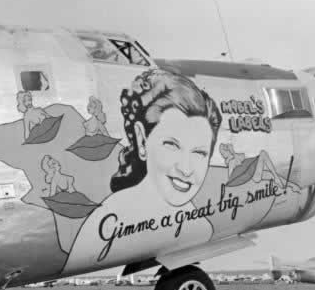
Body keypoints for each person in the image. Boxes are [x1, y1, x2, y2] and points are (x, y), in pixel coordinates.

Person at [61, 69, 222, 272]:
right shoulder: (104, 221)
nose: (186, 169)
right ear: (142, 140)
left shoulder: (201, 224)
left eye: (199, 153)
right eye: (172, 145)